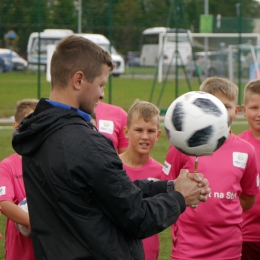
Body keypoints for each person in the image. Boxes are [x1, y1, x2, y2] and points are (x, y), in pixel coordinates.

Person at [12, 35, 210, 260]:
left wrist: (169, 187)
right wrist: (181, 197)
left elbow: (102, 194)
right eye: (101, 84)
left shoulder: (38, 132)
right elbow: (137, 217)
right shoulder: (86, 142)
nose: (102, 94)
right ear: (78, 80)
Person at [161, 77, 259, 260]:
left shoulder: (246, 150)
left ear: (237, 111)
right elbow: (165, 188)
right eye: (214, 107)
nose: (220, 113)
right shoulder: (182, 147)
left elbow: (247, 197)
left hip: (229, 247)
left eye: (226, 107)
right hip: (188, 247)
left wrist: (223, 207)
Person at [119, 100, 163, 260]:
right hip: (116, 251)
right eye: (138, 130)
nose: (145, 136)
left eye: (151, 131)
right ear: (126, 132)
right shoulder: (112, 167)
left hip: (149, 252)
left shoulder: (161, 173)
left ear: (158, 135)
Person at [0, 99, 38, 260]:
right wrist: (33, 222)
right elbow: (4, 203)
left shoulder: (52, 162)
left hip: (49, 246)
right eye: (30, 122)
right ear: (16, 126)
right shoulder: (7, 166)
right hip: (19, 251)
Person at [239, 79, 260, 260]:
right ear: (244, 111)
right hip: (246, 235)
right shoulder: (238, 146)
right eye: (254, 108)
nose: (259, 113)